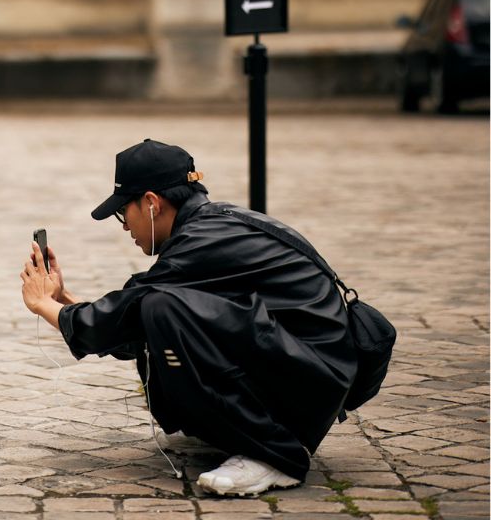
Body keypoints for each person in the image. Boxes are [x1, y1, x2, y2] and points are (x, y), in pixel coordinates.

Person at [20, 139, 357, 496]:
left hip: (313, 376)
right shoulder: (207, 227)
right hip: (308, 368)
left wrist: (45, 305)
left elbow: (137, 310)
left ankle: (276, 455)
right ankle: (253, 433)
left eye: (123, 213)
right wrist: (65, 302)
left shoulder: (201, 240)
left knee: (160, 307)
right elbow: (132, 322)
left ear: (151, 203)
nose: (123, 227)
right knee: (157, 308)